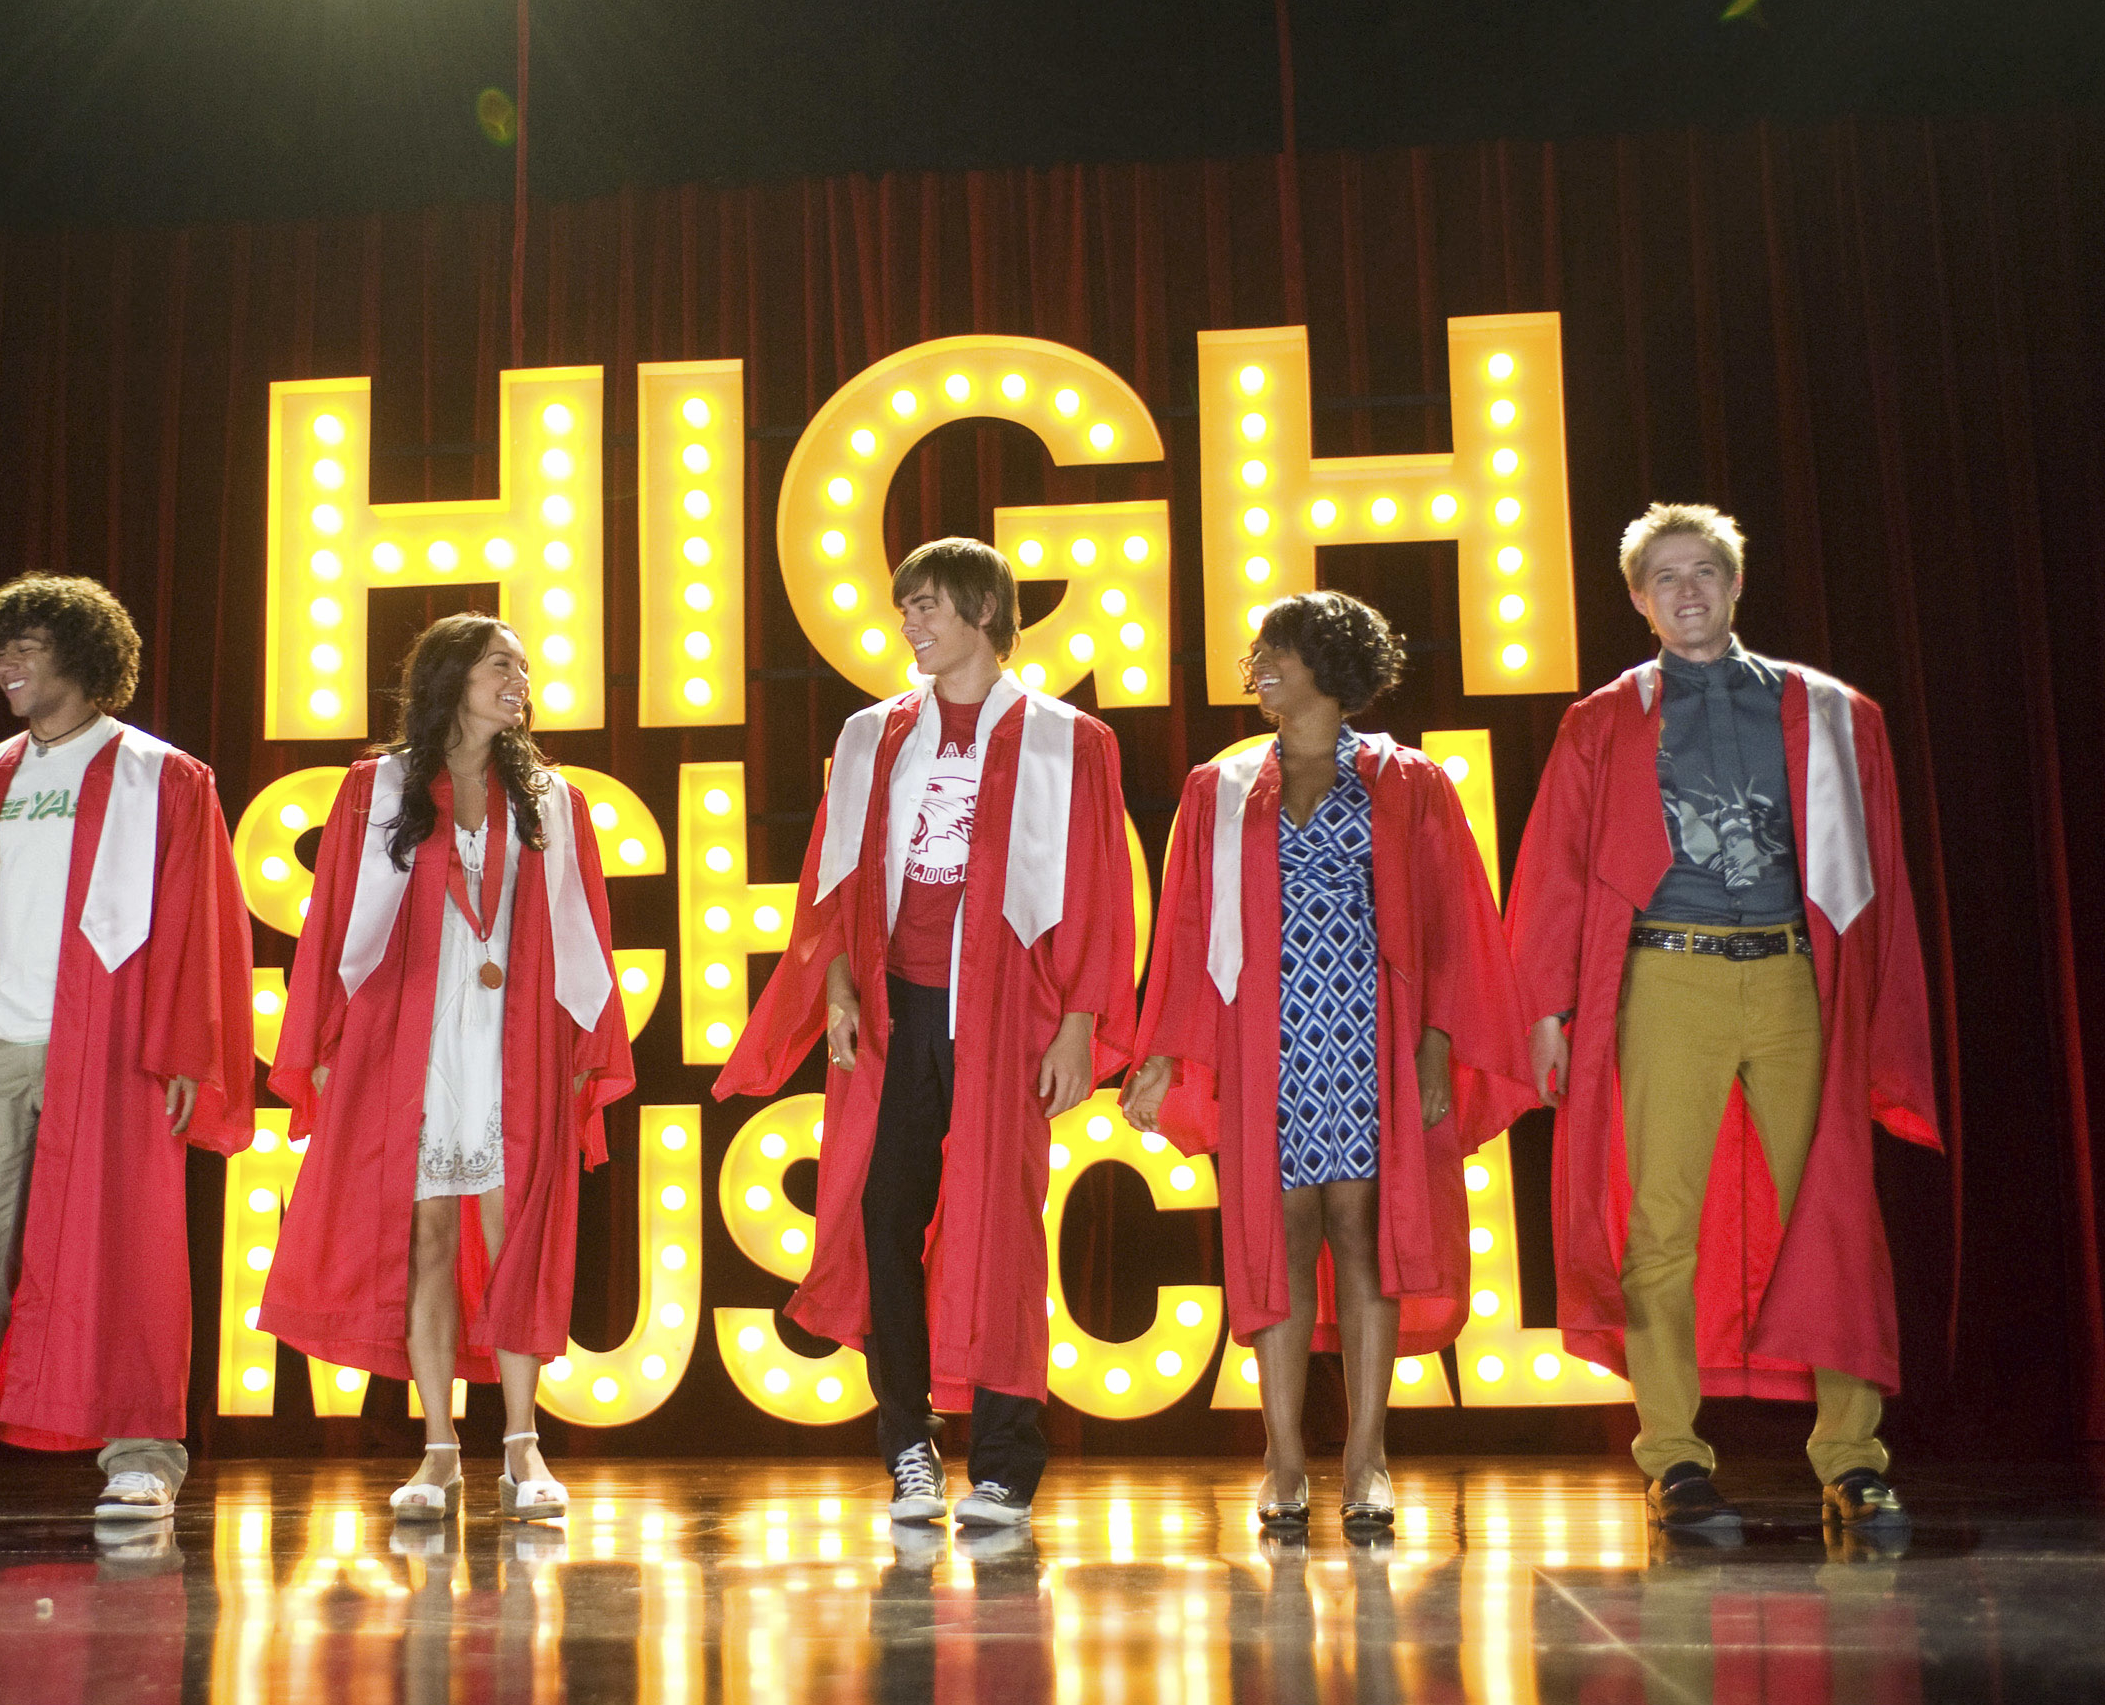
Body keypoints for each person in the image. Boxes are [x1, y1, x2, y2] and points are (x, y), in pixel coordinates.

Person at [1507, 505, 1939, 1536]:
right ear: (1639, 599)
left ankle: (1851, 1457)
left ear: (1736, 586)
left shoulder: (1833, 714)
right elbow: (1559, 870)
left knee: (1830, 1207)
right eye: (1667, 577)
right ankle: (1673, 1460)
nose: (1688, 590)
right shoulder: (1603, 721)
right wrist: (1549, 1008)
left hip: (1795, 979)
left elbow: (1876, 879)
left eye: (1705, 571)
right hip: (1671, 975)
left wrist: (1875, 1003)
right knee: (1656, 1225)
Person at [716, 537, 1139, 1532]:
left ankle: (1002, 1461)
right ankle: (907, 1444)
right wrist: (835, 991)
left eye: (930, 607)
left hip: (1007, 1015)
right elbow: (833, 881)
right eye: (905, 607)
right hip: (897, 1007)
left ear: (985, 612)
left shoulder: (1067, 740)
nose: (910, 624)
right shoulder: (873, 735)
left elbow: (1098, 892)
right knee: (880, 1217)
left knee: (1001, 1224)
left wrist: (1080, 1020)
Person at [1119, 594, 1532, 1536]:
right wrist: (1164, 1056)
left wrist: (1434, 1047)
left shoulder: (1408, 780)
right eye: (1258, 648)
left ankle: (1369, 1456)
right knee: (1278, 1233)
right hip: (1263, 1034)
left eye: (1282, 650)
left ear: (1332, 666)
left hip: (1368, 1031)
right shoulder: (1217, 788)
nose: (1260, 663)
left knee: (1362, 1229)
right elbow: (1185, 927)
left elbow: (1450, 927)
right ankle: (1284, 1458)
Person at [0, 573, 254, 1526]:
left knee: (122, 1254)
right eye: (2, 647)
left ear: (85, 657)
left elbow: (203, 930)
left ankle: (142, 1459)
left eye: (29, 645)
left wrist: (189, 1055)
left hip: (115, 1053)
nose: (8, 664)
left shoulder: (166, 777)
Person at [262, 614, 634, 1522]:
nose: (521, 678)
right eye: (501, 663)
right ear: (451, 677)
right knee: (426, 1238)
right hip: (413, 1041)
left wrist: (588, 1049)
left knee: (514, 1240)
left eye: (526, 667)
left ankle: (520, 1444)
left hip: (512, 1041)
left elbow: (586, 936)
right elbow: (334, 927)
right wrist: (319, 1044)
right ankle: (437, 1451)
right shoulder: (376, 789)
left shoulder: (550, 799)